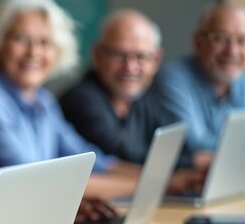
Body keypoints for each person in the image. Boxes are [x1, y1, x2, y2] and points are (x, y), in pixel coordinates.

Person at [0, 0, 153, 200]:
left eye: (45, 42)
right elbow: (35, 182)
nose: (34, 52)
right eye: (21, 39)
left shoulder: (43, 100)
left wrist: (152, 176)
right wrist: (150, 184)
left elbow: (89, 160)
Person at [59, 10, 176, 164]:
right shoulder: (79, 101)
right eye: (119, 55)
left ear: (155, 61)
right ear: (98, 55)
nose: (130, 68)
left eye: (141, 57)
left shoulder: (142, 97)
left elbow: (177, 145)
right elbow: (126, 157)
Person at [153, 4, 245, 170]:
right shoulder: (173, 78)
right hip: (185, 185)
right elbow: (194, 144)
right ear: (198, 41)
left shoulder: (241, 81)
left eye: (242, 41)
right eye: (220, 38)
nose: (232, 51)